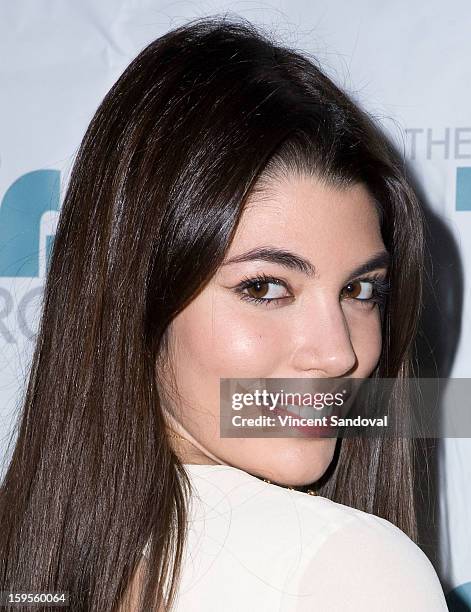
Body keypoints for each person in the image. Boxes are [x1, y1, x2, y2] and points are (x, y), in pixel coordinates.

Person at [0, 14, 449, 612]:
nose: (340, 353)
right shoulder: (347, 567)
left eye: (361, 291)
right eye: (264, 288)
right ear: (137, 301)